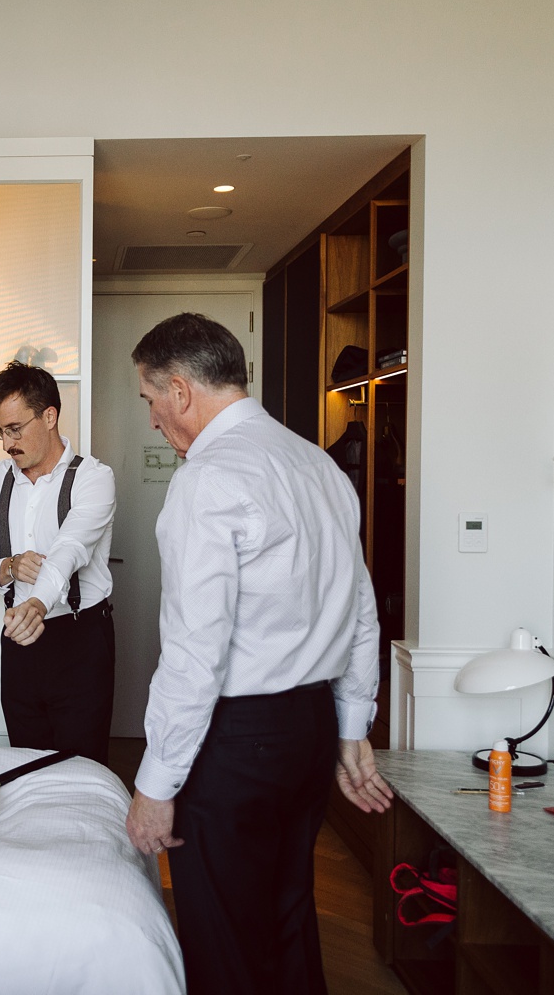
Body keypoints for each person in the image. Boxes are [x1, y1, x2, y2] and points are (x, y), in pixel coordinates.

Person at [123, 312, 393, 995]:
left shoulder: (208, 480)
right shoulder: (320, 465)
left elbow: (194, 651)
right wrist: (353, 726)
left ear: (180, 390)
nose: (154, 419)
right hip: (308, 731)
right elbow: (362, 608)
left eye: (151, 400)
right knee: (287, 912)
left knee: (226, 935)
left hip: (237, 740)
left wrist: (155, 787)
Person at [0, 362, 117, 764]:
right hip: (18, 643)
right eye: (0, 430)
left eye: (15, 429)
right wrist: (11, 567)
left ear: (49, 416)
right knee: (26, 763)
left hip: (80, 639)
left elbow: (68, 550)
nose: (6, 443)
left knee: (82, 766)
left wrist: (37, 603)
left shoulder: (93, 479)